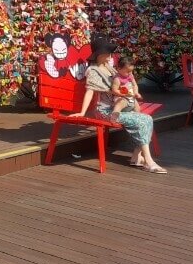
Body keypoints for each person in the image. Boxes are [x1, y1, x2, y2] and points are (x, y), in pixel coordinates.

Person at [69, 38, 166, 174]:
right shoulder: (93, 70)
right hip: (104, 111)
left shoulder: (108, 68)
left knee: (146, 119)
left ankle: (137, 157)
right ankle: (148, 161)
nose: (110, 55)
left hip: (117, 106)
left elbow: (122, 81)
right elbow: (89, 91)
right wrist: (82, 112)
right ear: (99, 54)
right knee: (144, 120)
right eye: (107, 52)